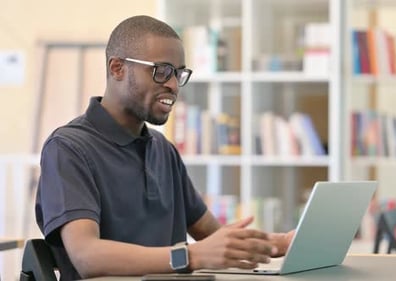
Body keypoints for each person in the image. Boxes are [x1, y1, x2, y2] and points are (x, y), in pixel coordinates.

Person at [35, 15, 293, 280]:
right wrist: (191, 256)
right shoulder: (68, 149)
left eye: (178, 73)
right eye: (161, 71)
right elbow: (87, 256)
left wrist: (279, 244)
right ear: (117, 68)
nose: (172, 84)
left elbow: (214, 237)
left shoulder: (162, 149)